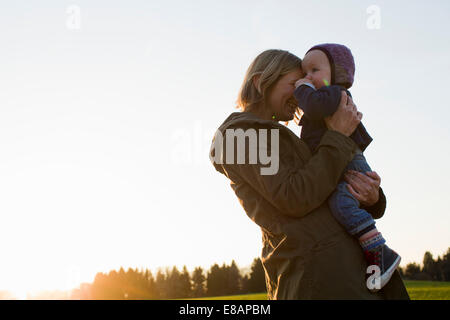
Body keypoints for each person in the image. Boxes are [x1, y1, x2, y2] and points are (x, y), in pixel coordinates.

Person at [209, 49, 409, 299]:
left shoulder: (288, 137)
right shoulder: (239, 135)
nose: (301, 93)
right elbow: (293, 196)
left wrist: (371, 197)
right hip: (318, 280)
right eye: (294, 84)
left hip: (350, 275)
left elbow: (325, 185)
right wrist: (337, 136)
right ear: (261, 82)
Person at [293, 43, 401, 291]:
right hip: (342, 159)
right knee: (340, 203)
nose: (306, 78)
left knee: (342, 203)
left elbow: (313, 106)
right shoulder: (323, 100)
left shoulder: (335, 95)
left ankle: (379, 250)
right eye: (303, 73)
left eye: (314, 70)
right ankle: (373, 253)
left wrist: (302, 91)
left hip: (350, 160)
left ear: (337, 75)